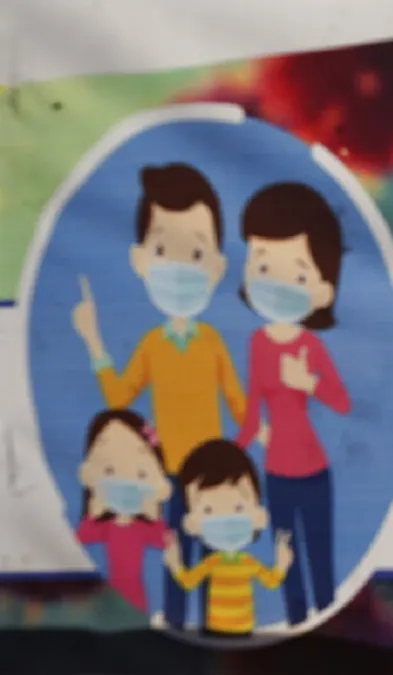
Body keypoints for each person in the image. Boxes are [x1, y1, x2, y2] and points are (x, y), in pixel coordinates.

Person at [71, 163, 249, 629]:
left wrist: (249, 446)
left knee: (213, 562)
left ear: (217, 266)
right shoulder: (152, 345)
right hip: (168, 473)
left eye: (195, 253)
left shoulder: (212, 341)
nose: (179, 268)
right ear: (140, 260)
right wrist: (93, 341)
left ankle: (214, 629)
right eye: (164, 251)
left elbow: (237, 400)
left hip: (210, 478)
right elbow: (118, 398)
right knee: (175, 563)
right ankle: (175, 630)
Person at [234, 182, 351, 626]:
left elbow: (340, 401)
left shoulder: (311, 346)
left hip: (314, 470)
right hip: (277, 472)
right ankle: (299, 624)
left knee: (319, 554)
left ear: (322, 291)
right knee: (286, 558)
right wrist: (233, 453)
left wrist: (309, 383)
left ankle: (331, 625)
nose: (277, 284)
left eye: (297, 276)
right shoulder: (257, 344)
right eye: (263, 267)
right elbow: (251, 407)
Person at [164, 439, 293, 637]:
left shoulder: (247, 562)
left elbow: (271, 580)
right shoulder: (213, 562)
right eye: (208, 510)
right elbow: (189, 581)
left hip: (245, 629)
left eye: (238, 507)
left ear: (258, 513)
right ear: (192, 522)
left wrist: (282, 563)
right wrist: (175, 562)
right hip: (216, 629)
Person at [74, 409, 173, 613]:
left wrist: (153, 508)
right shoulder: (107, 526)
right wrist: (95, 508)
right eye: (109, 471)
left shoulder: (143, 527)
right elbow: (82, 536)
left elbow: (166, 539)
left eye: (141, 474)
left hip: (136, 592)